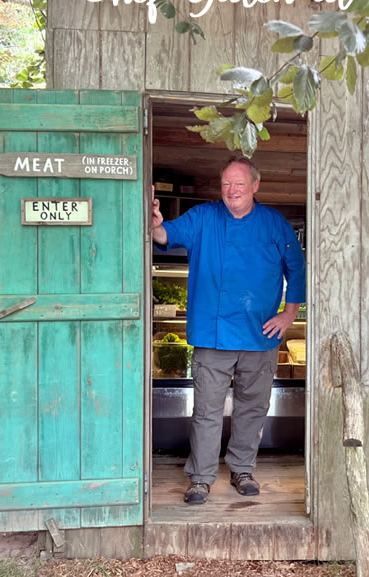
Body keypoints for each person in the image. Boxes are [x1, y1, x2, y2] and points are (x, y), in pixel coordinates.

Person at [151, 155, 306, 505]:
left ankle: (242, 468)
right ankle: (201, 478)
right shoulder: (204, 217)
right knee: (206, 409)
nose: (231, 190)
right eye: (226, 184)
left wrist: (288, 315)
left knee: (252, 407)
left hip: (260, 334)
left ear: (254, 185)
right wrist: (155, 223)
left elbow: (297, 268)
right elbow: (166, 234)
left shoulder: (273, 224)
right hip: (212, 333)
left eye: (238, 184)